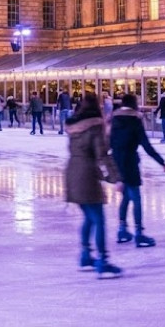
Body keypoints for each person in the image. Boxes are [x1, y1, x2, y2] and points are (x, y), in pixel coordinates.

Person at [64, 93, 123, 278]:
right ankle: (103, 261)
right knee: (99, 219)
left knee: (89, 217)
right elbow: (102, 155)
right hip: (87, 175)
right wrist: (116, 178)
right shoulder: (96, 125)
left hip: (72, 172)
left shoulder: (74, 126)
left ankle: (85, 256)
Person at [110, 94, 165, 247]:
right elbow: (146, 144)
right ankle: (139, 233)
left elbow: (108, 142)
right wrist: (161, 161)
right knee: (135, 197)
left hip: (117, 161)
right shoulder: (135, 120)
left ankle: (122, 230)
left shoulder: (114, 119)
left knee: (126, 196)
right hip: (130, 161)